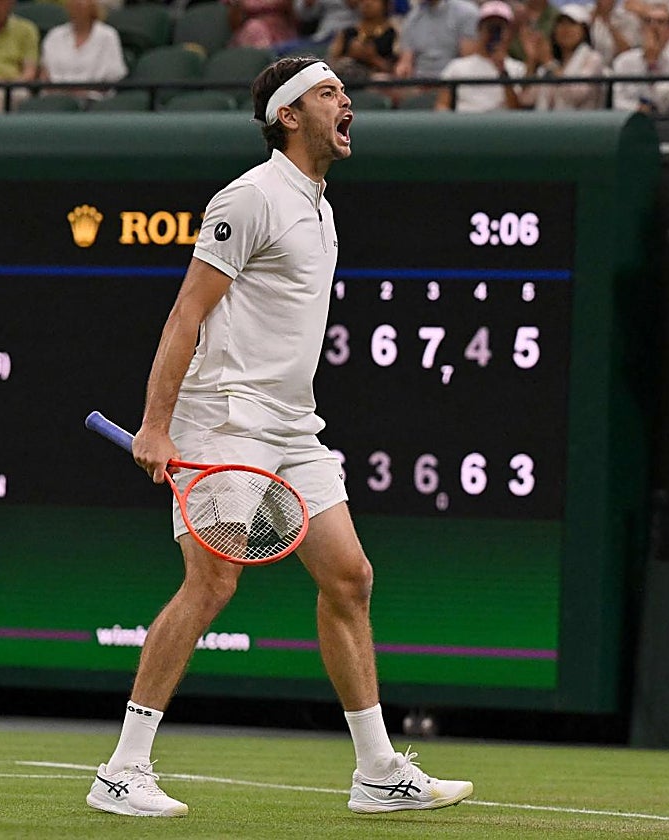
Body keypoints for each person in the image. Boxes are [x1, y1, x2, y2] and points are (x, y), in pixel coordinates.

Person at [85, 55, 474, 819]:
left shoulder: (321, 206)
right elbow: (185, 315)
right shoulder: (250, 197)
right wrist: (158, 425)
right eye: (330, 92)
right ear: (289, 116)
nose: (347, 101)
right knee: (214, 583)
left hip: (295, 422)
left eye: (344, 91)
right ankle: (122, 770)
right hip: (226, 417)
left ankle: (376, 772)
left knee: (350, 577)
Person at [436, 0, 532, 111]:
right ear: (479, 29)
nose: (494, 34)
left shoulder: (519, 69)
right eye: (490, 27)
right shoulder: (456, 67)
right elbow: (442, 105)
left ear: (508, 32)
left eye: (500, 28)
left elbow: (517, 110)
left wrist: (503, 73)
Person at [611, 1, 669, 113]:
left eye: (660, 22)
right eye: (648, 21)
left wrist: (652, 64)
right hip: (633, 123)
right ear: (641, 27)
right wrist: (639, 110)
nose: (653, 27)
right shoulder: (624, 60)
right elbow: (619, 102)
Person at [39, 0, 127, 101]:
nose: (77, 5)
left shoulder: (108, 36)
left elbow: (114, 75)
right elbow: (45, 73)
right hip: (56, 99)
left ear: (93, 6)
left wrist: (83, 91)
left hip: (95, 100)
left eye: (82, 2)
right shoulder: (54, 35)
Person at [526, 4, 606, 110]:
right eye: (561, 24)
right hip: (546, 124)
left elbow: (577, 95)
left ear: (584, 30)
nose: (565, 29)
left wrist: (550, 65)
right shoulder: (549, 65)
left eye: (571, 24)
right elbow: (526, 99)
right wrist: (532, 61)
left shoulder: (593, 59)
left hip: (581, 124)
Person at [393, 0, 479, 81]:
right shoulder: (411, 18)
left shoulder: (467, 13)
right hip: (419, 83)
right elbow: (406, 61)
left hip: (453, 83)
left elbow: (468, 63)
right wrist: (403, 69)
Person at [327, 0, 400, 82]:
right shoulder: (347, 33)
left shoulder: (394, 32)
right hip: (347, 79)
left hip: (379, 82)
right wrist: (351, 55)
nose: (367, 3)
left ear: (385, 4)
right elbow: (332, 63)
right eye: (362, 1)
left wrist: (373, 58)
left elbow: (398, 70)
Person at [226, 0, 299, 49]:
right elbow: (235, 19)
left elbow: (293, 11)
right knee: (255, 27)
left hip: (282, 32)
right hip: (253, 32)